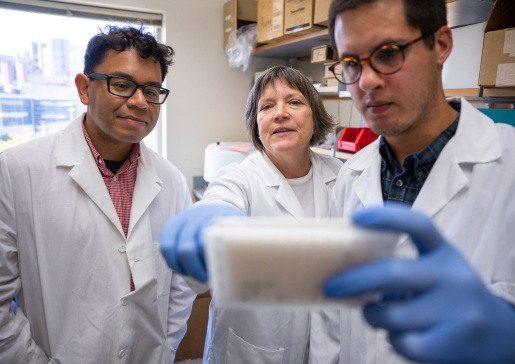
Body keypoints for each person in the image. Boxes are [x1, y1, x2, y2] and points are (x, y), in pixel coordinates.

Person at [323, 0, 515, 363]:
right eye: (351, 63)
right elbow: (331, 326)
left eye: (388, 53)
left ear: (441, 45)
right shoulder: (351, 176)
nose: (366, 81)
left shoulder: (509, 166)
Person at [0, 25, 196, 364]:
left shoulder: (173, 182)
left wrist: (164, 350)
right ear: (84, 88)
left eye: (151, 90)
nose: (139, 102)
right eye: (122, 85)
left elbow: (179, 290)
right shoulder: (16, 171)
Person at [160, 65, 343, 364]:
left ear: (316, 117)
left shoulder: (343, 178)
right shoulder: (238, 179)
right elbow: (219, 207)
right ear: (257, 123)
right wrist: (209, 229)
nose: (279, 113)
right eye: (267, 106)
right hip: (250, 352)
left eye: (294, 102)